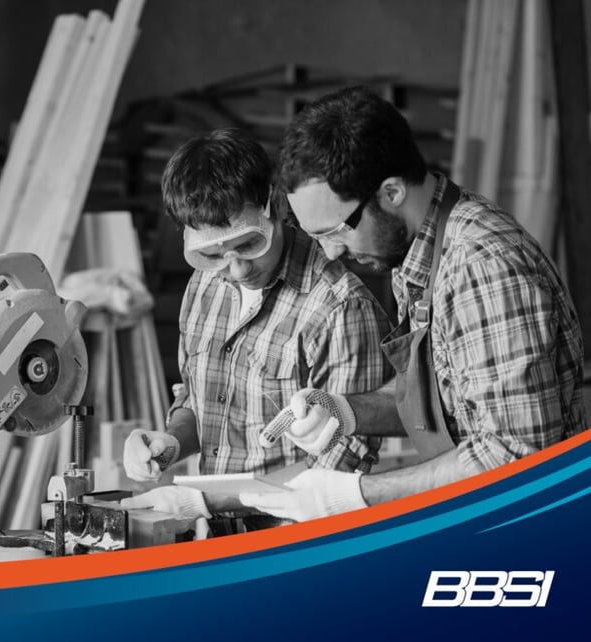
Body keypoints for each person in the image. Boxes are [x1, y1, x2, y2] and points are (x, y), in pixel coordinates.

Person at [239, 86, 586, 522]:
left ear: (392, 192)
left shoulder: (480, 265)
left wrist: (354, 493)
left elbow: (515, 454)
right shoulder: (416, 252)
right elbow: (448, 398)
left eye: (337, 230)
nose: (330, 253)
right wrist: (344, 411)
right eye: (316, 236)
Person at [119, 128, 394, 531]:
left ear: (276, 205)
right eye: (213, 254)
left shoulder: (339, 306)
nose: (237, 269)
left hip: (295, 543)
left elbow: (334, 475)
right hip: (215, 531)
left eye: (249, 245)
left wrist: (203, 500)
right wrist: (172, 442)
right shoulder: (205, 285)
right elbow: (201, 402)